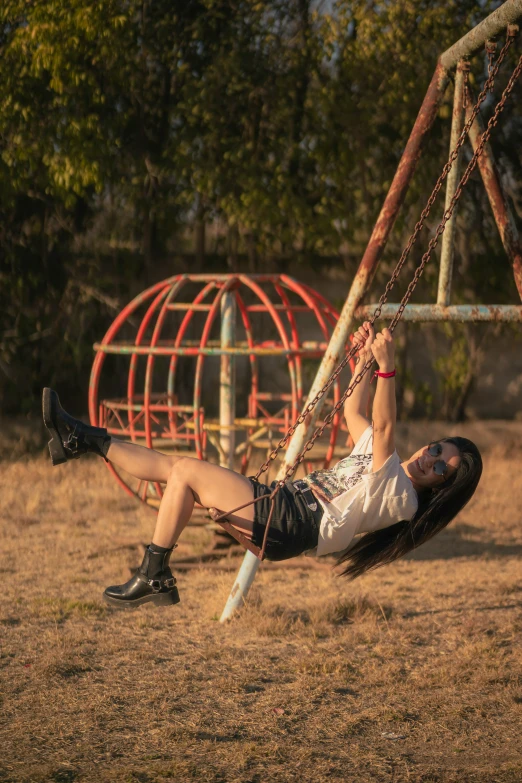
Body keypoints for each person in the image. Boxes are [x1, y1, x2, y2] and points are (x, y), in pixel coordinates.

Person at [42, 323, 482, 609]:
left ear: (439, 489)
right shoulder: (384, 463)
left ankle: (153, 572)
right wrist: (365, 361)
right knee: (176, 469)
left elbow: (384, 426)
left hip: (295, 521)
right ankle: (81, 439)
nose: (433, 459)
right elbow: (355, 413)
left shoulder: (402, 497)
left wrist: (388, 368)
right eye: (439, 449)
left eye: (442, 468)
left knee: (186, 472)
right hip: (286, 504)